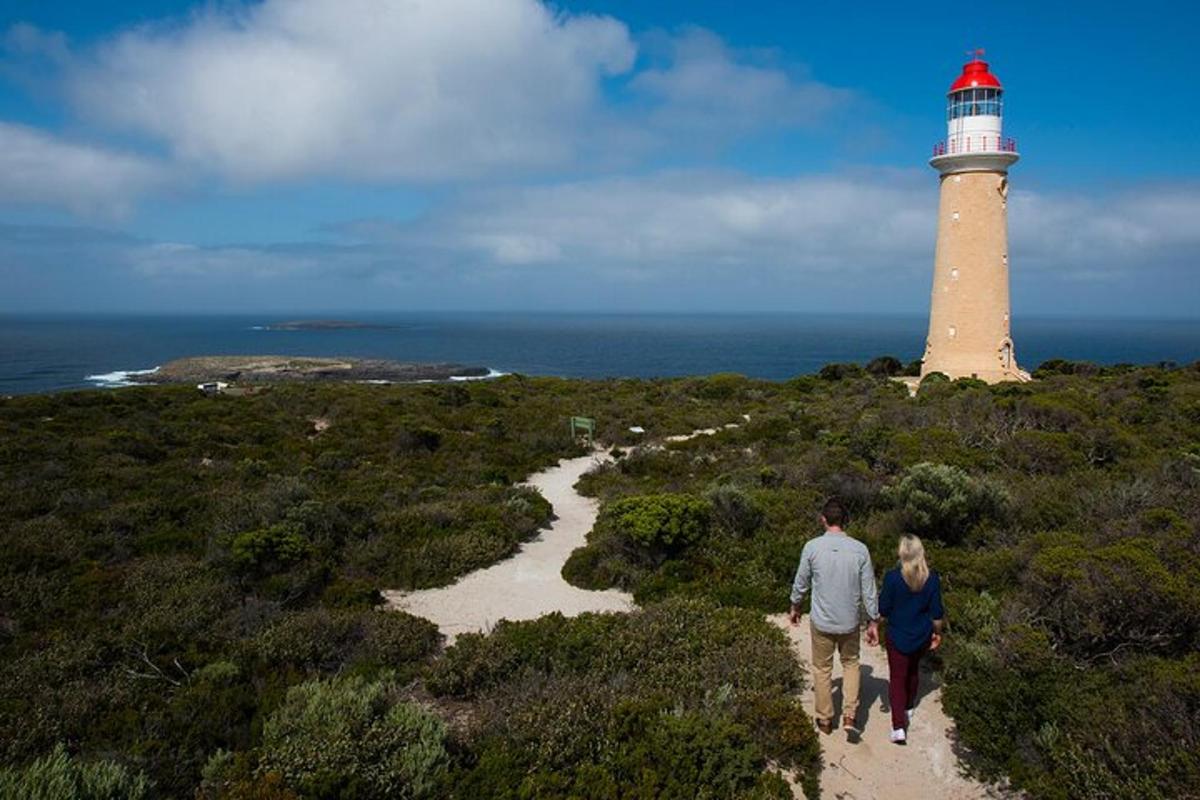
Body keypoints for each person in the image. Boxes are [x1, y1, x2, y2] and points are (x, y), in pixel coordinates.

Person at [789, 498, 879, 737]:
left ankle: (825, 719)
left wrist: (795, 606)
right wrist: (873, 621)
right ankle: (850, 714)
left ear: (823, 519)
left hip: (822, 621)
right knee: (851, 664)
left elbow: (801, 583)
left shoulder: (812, 547)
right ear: (845, 520)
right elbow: (869, 589)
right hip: (850, 621)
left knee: (822, 668)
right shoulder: (860, 549)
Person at [878, 534, 945, 745]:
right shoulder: (932, 578)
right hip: (921, 635)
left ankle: (898, 727)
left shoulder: (892, 578)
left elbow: (884, 609)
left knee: (897, 678)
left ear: (902, 553)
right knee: (912, 671)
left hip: (897, 634)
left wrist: (876, 623)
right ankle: (908, 707)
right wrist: (937, 633)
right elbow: (937, 613)